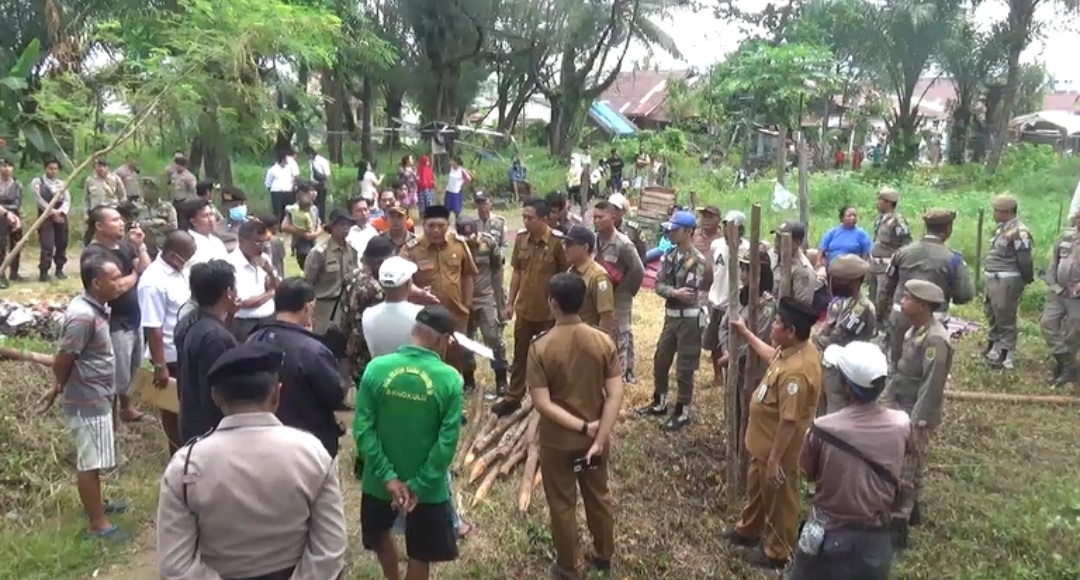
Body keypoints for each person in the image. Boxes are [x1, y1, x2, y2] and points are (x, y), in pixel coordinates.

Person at [156, 341, 348, 579]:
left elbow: (175, 567)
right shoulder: (312, 453)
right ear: (277, 394)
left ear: (216, 397)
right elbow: (330, 550)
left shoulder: (185, 466)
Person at [355, 305, 464, 580]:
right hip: (426, 490)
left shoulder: (376, 368)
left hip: (378, 484)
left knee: (380, 537)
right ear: (444, 340)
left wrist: (389, 478)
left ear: (413, 332)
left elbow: (362, 429)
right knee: (421, 553)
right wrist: (417, 484)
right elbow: (446, 442)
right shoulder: (450, 379)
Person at [529, 273, 624, 579]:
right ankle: (603, 554)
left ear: (552, 304)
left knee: (562, 502)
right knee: (598, 495)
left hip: (559, 441)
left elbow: (543, 404)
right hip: (596, 438)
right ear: (582, 302)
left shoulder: (541, 347)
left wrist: (583, 428)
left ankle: (568, 566)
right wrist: (599, 435)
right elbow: (616, 393)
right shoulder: (602, 341)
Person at [792, 341, 913, 580]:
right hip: (876, 538)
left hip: (829, 535)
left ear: (846, 385)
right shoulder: (902, 424)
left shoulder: (823, 428)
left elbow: (807, 471)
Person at [723, 297, 822, 569]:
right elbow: (771, 356)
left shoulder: (796, 375)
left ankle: (777, 552)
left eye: (777, 323)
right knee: (757, 490)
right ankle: (748, 530)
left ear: (790, 331)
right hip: (763, 445)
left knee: (780, 500)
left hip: (778, 451)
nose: (773, 325)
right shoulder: (792, 350)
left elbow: (788, 422)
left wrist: (775, 461)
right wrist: (746, 334)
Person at [38, 252, 130, 541]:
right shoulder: (82, 316)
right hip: (86, 397)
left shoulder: (98, 307)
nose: (120, 283)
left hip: (98, 394)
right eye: (114, 279)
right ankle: (97, 524)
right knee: (89, 462)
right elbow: (64, 357)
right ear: (96, 282)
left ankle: (98, 505)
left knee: (96, 456)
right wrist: (57, 386)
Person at [882, 279, 952, 534]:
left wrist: (917, 421)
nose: (902, 301)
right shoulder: (916, 329)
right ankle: (912, 512)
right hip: (902, 401)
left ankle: (898, 521)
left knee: (905, 467)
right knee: (909, 462)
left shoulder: (935, 340)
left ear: (922, 305)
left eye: (908, 298)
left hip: (915, 409)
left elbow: (932, 384)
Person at [247, 278, 346, 457]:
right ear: (307, 307)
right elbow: (335, 394)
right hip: (308, 444)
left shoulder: (252, 340)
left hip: (261, 442)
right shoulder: (312, 350)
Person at [492, 199, 570, 417]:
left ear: (544, 219)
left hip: (549, 312)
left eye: (530, 218)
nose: (525, 221)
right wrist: (510, 303)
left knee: (548, 357)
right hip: (525, 309)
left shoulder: (557, 243)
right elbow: (517, 271)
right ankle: (513, 397)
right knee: (520, 355)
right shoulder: (521, 239)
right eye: (523, 216)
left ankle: (550, 399)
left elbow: (566, 275)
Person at [82, 206, 153, 424]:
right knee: (116, 372)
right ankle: (111, 419)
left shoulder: (123, 245)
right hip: (114, 321)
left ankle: (127, 408)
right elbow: (116, 288)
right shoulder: (94, 254)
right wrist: (133, 276)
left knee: (132, 368)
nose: (121, 223)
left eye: (121, 219)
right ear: (99, 226)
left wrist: (140, 246)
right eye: (115, 220)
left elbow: (145, 268)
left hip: (134, 317)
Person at [638, 210, 707, 431]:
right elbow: (659, 286)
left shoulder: (697, 259)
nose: (671, 233)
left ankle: (682, 410)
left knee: (685, 367)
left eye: (675, 229)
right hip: (671, 317)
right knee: (660, 360)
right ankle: (659, 402)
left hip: (689, 320)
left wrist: (672, 291)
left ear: (689, 231)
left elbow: (690, 292)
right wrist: (674, 292)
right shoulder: (668, 255)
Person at [882, 208, 974, 365]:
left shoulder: (902, 252)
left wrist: (882, 315)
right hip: (933, 320)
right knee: (927, 366)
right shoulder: (953, 259)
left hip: (901, 314)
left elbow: (886, 288)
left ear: (926, 227)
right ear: (948, 229)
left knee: (896, 363)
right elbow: (964, 294)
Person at [138, 230, 197, 455]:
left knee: (189, 409)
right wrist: (160, 365)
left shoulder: (180, 271)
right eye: (186, 258)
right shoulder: (152, 282)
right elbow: (153, 327)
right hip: (170, 357)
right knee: (174, 412)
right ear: (173, 256)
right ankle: (178, 457)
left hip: (186, 351)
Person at [400, 205, 479, 373]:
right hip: (425, 316)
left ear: (448, 225)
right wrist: (418, 293)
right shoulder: (411, 249)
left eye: (441, 226)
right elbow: (403, 282)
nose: (436, 230)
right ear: (423, 224)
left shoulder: (459, 245)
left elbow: (468, 275)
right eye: (431, 226)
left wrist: (467, 305)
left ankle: (454, 387)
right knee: (427, 355)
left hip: (456, 312)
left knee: (457, 353)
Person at [175, 259, 239, 443]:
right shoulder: (215, 338)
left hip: (191, 421)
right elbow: (216, 394)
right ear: (228, 293)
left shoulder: (188, 321)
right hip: (211, 434)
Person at [813, 254, 876, 415]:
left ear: (854, 282)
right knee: (820, 410)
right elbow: (826, 327)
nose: (834, 284)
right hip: (829, 364)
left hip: (844, 371)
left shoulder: (860, 308)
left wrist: (814, 339)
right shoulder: (840, 301)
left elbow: (835, 340)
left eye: (839, 280)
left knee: (836, 412)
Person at [593, 200, 645, 384]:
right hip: (599, 295)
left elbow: (638, 270)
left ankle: (623, 375)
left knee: (622, 333)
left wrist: (627, 290)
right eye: (594, 217)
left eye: (601, 217)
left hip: (619, 294)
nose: (596, 221)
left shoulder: (623, 244)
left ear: (613, 218)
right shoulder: (595, 240)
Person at [456, 217, 509, 397]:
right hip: (462, 300)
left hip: (485, 297)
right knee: (464, 341)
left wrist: (500, 300)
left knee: (493, 337)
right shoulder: (454, 246)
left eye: (471, 234)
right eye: (465, 235)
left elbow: (497, 270)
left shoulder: (488, 242)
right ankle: (469, 380)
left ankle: (501, 379)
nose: (469, 238)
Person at [982, 194, 1034, 370]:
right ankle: (994, 346)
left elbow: (1025, 260)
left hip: (1006, 280)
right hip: (994, 279)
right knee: (992, 313)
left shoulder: (1019, 232)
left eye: (997, 211)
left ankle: (1006, 353)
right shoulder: (1001, 229)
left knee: (1005, 317)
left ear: (1008, 212)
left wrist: (1026, 278)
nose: (994, 214)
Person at [703, 210, 750, 385]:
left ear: (741, 231)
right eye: (724, 226)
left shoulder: (747, 249)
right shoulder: (716, 245)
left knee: (734, 341)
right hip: (716, 300)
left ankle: (734, 375)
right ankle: (718, 375)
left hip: (735, 303)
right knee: (715, 341)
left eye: (730, 227)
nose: (725, 230)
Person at [1041, 210, 1080, 386]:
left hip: (1077, 298)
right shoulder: (1066, 237)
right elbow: (1053, 264)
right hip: (1059, 292)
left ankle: (1064, 370)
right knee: (1047, 324)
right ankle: (1067, 363)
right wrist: (1055, 286)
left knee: (1073, 332)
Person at [304, 207, 357, 336]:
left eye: (348, 225)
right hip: (324, 307)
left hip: (346, 305)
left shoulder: (352, 250)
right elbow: (308, 282)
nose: (345, 228)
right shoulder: (319, 252)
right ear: (332, 227)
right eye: (341, 224)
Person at [868, 187, 912, 327]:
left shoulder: (898, 221)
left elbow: (906, 244)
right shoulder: (880, 219)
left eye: (880, 200)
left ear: (888, 202)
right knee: (873, 297)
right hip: (875, 265)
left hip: (887, 267)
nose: (877, 202)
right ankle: (874, 325)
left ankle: (885, 326)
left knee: (884, 298)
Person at [228, 219, 278, 340]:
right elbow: (245, 303)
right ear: (242, 241)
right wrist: (270, 293)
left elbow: (276, 285)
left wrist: (270, 273)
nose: (262, 246)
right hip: (246, 324)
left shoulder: (264, 259)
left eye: (264, 242)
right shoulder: (231, 264)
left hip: (269, 319)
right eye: (257, 242)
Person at [563, 226, 615, 332]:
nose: (565, 249)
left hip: (588, 340)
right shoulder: (571, 271)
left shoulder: (598, 276)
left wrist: (599, 344)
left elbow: (606, 316)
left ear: (584, 247)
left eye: (569, 245)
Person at [32, 158, 71, 281]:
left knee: (62, 242)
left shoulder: (61, 183)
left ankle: (59, 269)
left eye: (55, 169)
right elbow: (38, 200)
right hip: (45, 216)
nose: (53, 171)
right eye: (50, 168)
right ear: (45, 168)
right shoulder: (38, 182)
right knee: (47, 243)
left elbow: (67, 200)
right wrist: (51, 212)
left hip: (61, 215)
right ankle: (44, 272)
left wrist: (60, 212)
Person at [770, 221, 819, 307]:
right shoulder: (774, 256)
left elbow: (801, 308)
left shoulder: (803, 271)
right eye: (776, 237)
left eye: (781, 239)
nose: (776, 242)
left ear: (797, 243)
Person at [179, 197, 229, 275]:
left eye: (211, 214)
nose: (211, 219)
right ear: (193, 221)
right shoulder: (187, 243)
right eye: (205, 216)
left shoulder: (217, 242)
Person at [281, 181, 322, 269]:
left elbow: (318, 223)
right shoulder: (293, 209)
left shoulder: (314, 208)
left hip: (313, 243)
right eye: (310, 191)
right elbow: (284, 226)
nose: (314, 193)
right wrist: (303, 233)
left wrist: (316, 233)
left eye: (314, 190)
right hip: (301, 244)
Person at [137, 178, 177, 260]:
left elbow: (173, 225)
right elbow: (134, 224)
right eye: (145, 188)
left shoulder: (167, 206)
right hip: (144, 247)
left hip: (162, 246)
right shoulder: (137, 206)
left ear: (157, 191)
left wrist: (155, 230)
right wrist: (154, 223)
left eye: (151, 189)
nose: (147, 191)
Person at [0, 158, 23, 284]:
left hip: (14, 216)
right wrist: (6, 213)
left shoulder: (17, 184)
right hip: (1, 217)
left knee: (17, 244)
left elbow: (18, 203)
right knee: (1, 246)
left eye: (9, 166)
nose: (6, 169)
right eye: (3, 166)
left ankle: (14, 272)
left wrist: (16, 218)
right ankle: (1, 275)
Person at [606, 193, 646, 265]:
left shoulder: (633, 230)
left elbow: (642, 254)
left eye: (616, 209)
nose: (613, 212)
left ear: (624, 211)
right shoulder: (603, 227)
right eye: (610, 208)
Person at [266, 150, 297, 224]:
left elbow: (293, 178)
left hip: (288, 192)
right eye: (286, 159)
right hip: (277, 193)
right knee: (278, 211)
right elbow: (268, 183)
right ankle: (277, 226)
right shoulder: (272, 170)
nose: (287, 161)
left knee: (289, 210)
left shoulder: (289, 168)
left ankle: (288, 225)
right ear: (282, 160)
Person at [345, 196, 379, 260]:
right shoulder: (347, 233)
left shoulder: (373, 231)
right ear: (351, 214)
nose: (364, 213)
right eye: (359, 211)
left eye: (365, 209)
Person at [306, 144, 332, 219]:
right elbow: (311, 173)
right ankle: (314, 218)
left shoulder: (322, 161)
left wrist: (327, 185)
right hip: (314, 184)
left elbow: (327, 174)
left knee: (321, 204)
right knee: (314, 203)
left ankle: (322, 219)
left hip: (321, 184)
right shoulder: (310, 161)